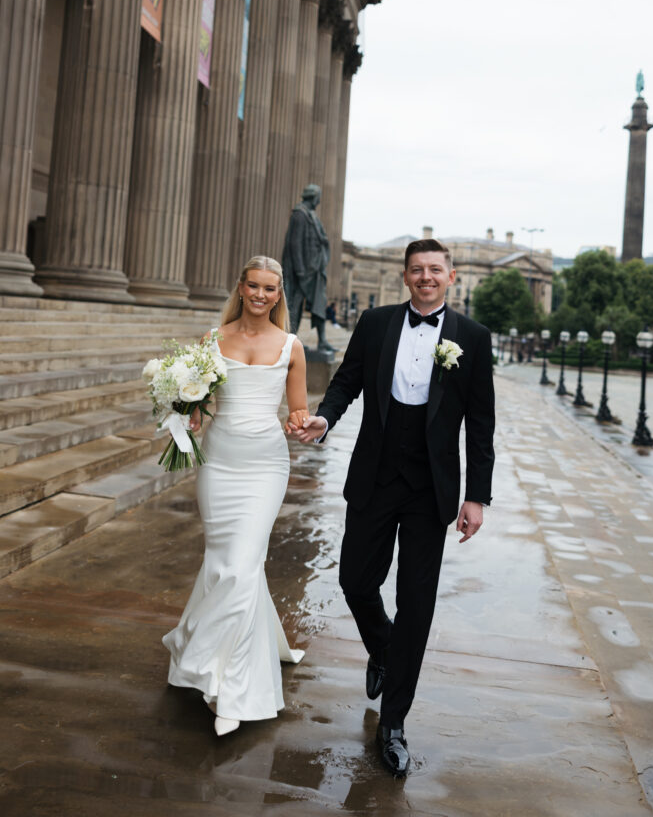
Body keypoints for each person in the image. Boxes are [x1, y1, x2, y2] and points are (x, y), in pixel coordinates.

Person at [289, 238, 495, 775]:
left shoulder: (474, 338)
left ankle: (395, 722)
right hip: (376, 475)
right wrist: (325, 418)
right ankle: (383, 649)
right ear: (405, 277)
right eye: (417, 270)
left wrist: (476, 495)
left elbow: (481, 424)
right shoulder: (376, 322)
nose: (426, 277)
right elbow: (347, 381)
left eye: (435, 269)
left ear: (450, 277)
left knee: (416, 603)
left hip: (431, 487)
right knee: (355, 580)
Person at [163, 256, 310, 736]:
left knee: (243, 564)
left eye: (271, 288)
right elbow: (198, 406)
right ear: (241, 288)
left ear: (279, 294)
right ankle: (203, 650)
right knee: (225, 561)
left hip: (266, 465)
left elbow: (298, 409)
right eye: (254, 286)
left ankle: (226, 686)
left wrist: (301, 422)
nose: (261, 295)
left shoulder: (291, 345)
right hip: (219, 463)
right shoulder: (212, 340)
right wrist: (187, 413)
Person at [282, 184, 334, 352]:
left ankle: (322, 340)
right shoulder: (300, 215)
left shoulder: (310, 215)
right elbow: (295, 243)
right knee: (295, 305)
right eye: (318, 197)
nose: (319, 201)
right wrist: (299, 270)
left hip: (314, 268)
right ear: (314, 197)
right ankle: (290, 338)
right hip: (302, 271)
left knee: (319, 302)